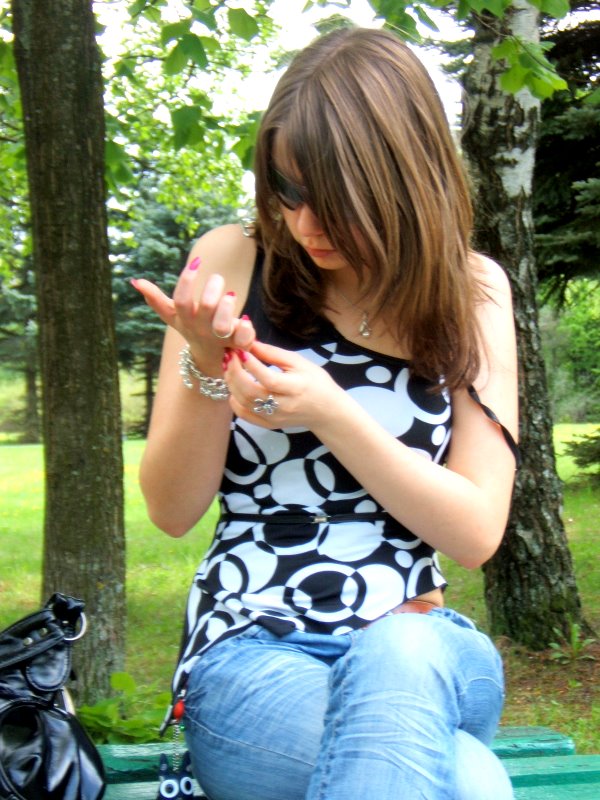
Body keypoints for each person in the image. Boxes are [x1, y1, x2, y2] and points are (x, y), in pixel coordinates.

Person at [133, 26, 519, 800]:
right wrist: (206, 365)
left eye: (337, 200)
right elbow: (171, 512)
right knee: (472, 784)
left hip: (425, 647)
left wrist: (330, 412)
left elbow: (476, 532)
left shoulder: (472, 291)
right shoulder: (231, 260)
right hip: (253, 646)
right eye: (289, 191)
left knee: (400, 647)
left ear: (404, 180)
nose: (307, 223)